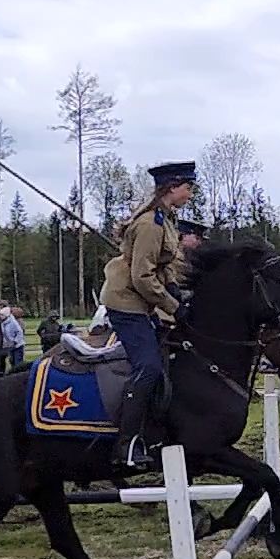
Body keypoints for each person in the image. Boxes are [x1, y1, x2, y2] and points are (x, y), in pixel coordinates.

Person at [100, 160, 196, 470]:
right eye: (187, 187)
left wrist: (174, 288)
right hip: (126, 303)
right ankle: (126, 444)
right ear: (172, 188)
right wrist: (173, 306)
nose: (190, 194)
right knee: (149, 367)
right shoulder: (150, 225)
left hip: (141, 302)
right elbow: (142, 276)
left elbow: (160, 265)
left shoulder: (165, 220)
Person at [0, 303, 27, 369]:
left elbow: (20, 332)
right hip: (10, 346)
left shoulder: (13, 322)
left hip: (17, 345)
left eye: (2, 315)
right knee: (12, 361)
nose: (0, 316)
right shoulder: (3, 323)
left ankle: (19, 372)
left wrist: (15, 341)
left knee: (18, 362)